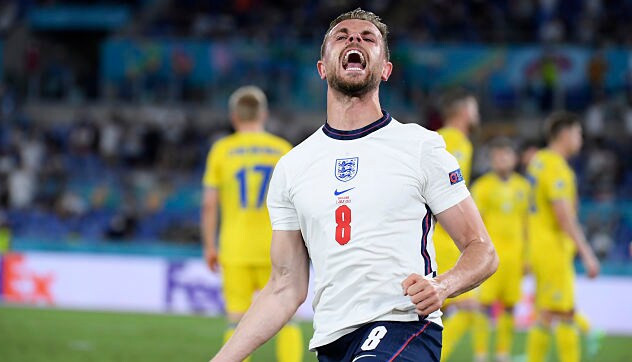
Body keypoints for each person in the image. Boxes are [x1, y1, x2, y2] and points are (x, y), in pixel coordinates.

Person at [212, 8, 498, 362]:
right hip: (333, 340)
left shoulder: (421, 147)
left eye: (368, 38)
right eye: (342, 35)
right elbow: (285, 286)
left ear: (384, 69)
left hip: (404, 326)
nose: (354, 39)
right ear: (322, 67)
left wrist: (444, 285)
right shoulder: (292, 166)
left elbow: (482, 249)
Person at [201, 85, 302, 362]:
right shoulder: (282, 149)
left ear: (234, 116)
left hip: (234, 247)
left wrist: (210, 246)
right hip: (277, 247)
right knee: (287, 320)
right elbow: (299, 203)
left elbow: (209, 204)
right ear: (264, 114)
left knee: (237, 322)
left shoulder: (221, 150)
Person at [525, 111, 600, 362]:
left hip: (540, 246)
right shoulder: (556, 167)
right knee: (564, 312)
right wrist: (587, 253)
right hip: (553, 249)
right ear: (565, 134)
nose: (580, 138)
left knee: (546, 313)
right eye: (578, 133)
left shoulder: (538, 161)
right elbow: (564, 217)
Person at [470, 138, 530, 362]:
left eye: (506, 155)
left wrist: (528, 257)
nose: (502, 159)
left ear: (514, 159)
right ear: (492, 160)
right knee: (483, 306)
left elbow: (527, 225)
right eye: (497, 156)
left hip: (514, 258)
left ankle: (503, 353)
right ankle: (481, 354)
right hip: (489, 258)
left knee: (510, 306)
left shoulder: (523, 187)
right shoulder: (482, 187)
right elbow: (475, 223)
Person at [433, 88, 481, 361]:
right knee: (469, 307)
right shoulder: (458, 142)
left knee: (441, 309)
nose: (477, 114)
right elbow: (449, 191)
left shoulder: (435, 137)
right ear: (463, 112)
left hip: (434, 234)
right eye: (474, 108)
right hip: (446, 236)